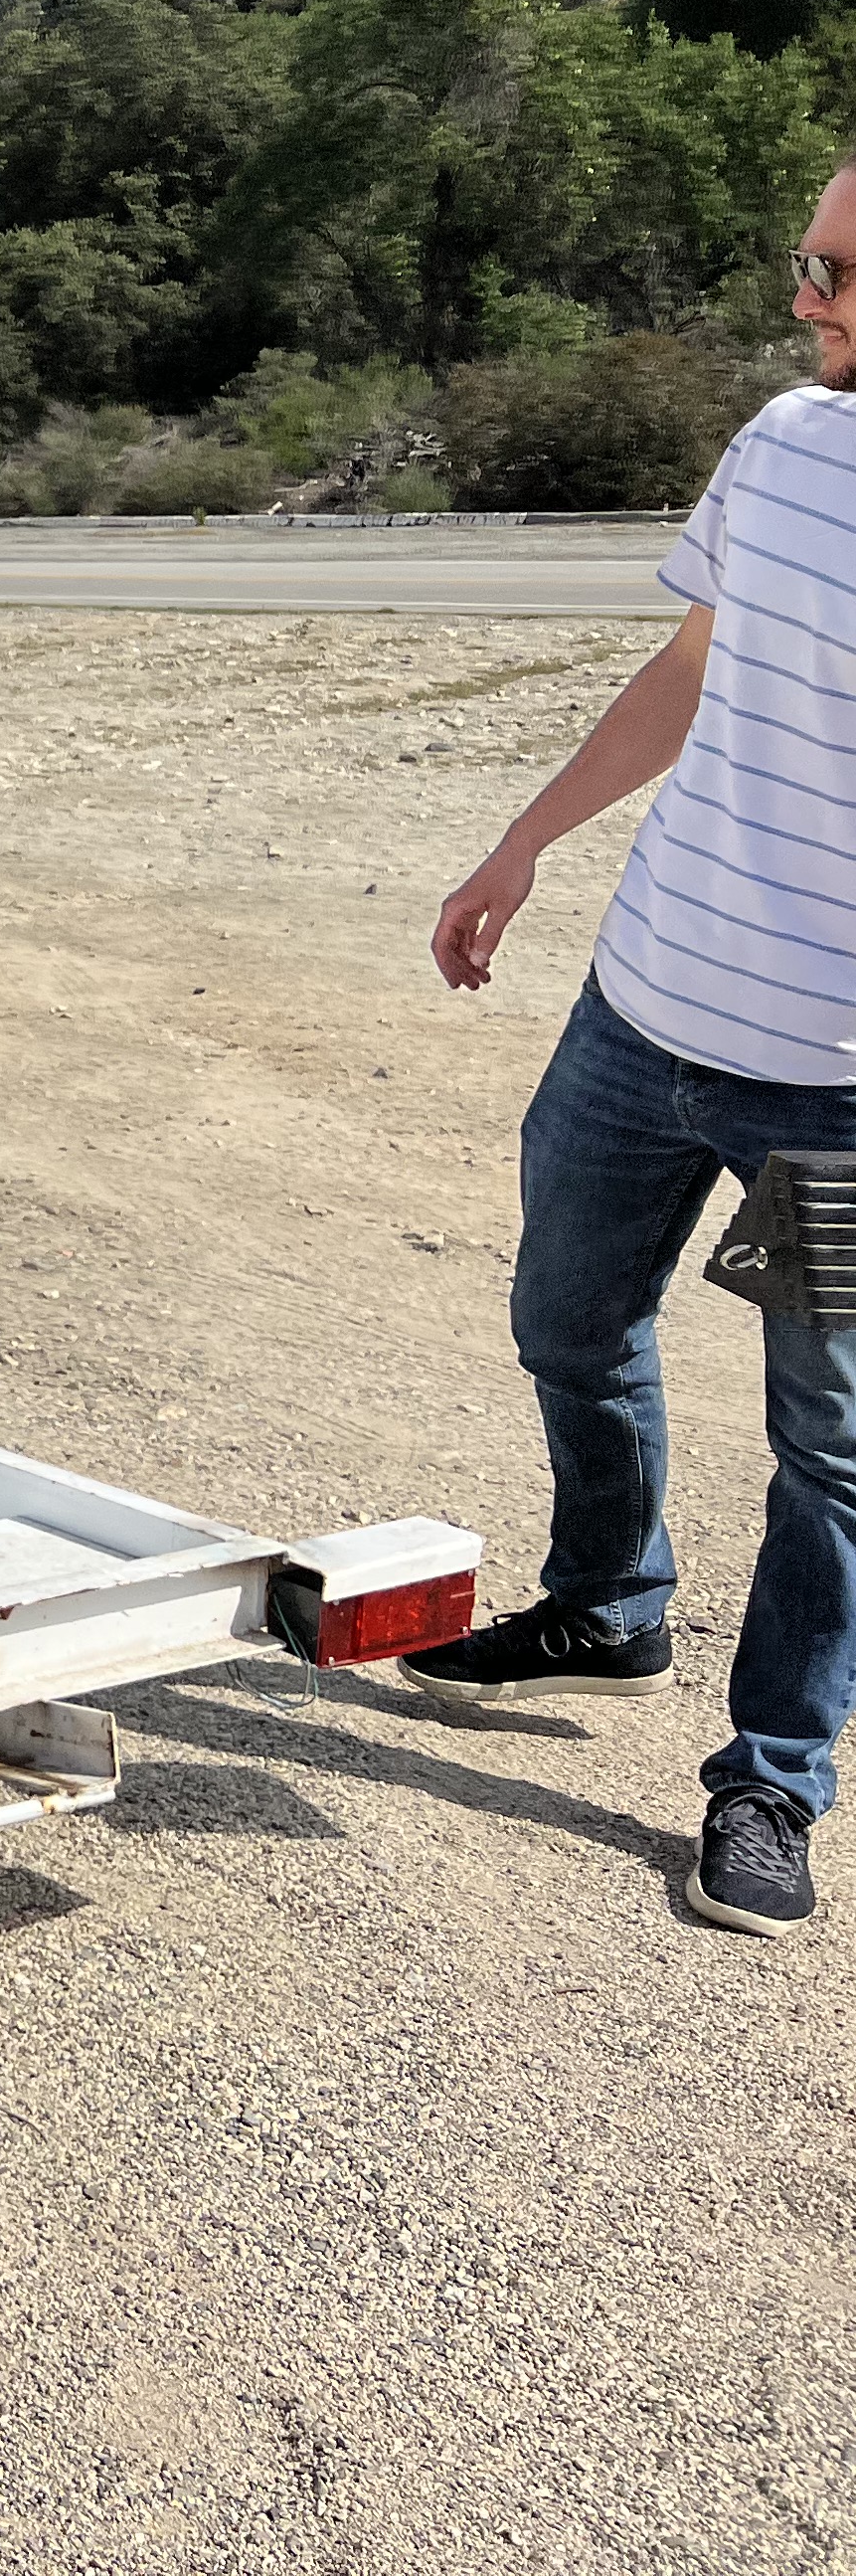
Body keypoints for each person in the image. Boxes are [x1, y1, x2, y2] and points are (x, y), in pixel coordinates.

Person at [413, 154, 856, 1939]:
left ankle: (774, 1777)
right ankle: (608, 1601)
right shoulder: (783, 441)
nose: (804, 295)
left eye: (837, 272)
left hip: (832, 1099)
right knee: (567, 1316)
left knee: (828, 1445)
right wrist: (523, 841)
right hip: (642, 1013)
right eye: (807, 258)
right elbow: (693, 665)